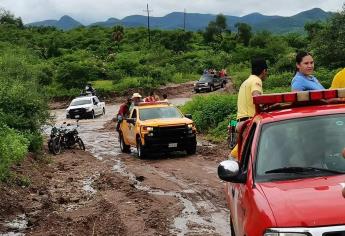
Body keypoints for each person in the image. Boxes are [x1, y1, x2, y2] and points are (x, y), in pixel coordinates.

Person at [230, 58, 269, 159]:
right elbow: (257, 98)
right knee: (254, 155)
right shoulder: (257, 80)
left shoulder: (246, 82)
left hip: (240, 123)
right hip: (249, 123)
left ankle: (232, 161)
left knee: (243, 154)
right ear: (264, 71)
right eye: (266, 72)